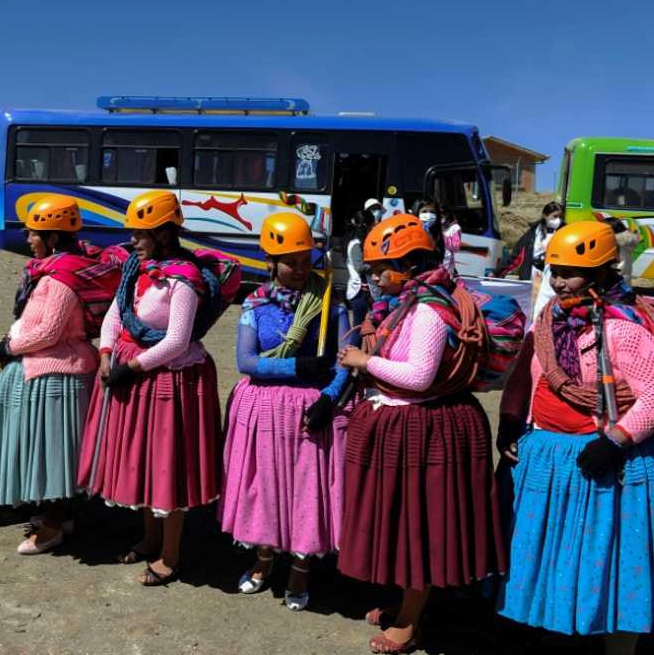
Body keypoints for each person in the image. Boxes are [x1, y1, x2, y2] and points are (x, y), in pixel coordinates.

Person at [336, 213, 506, 654]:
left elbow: (418, 376)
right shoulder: (409, 302)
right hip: (415, 425)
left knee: (420, 524)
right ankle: (406, 604)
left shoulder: (429, 308)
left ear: (409, 264)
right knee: (403, 519)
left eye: (380, 269)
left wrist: (362, 362)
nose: (374, 278)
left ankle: (411, 621)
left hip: (427, 429)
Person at [496, 221, 654, 654]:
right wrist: (513, 419)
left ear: (603, 273)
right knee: (553, 555)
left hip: (604, 463)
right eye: (555, 270)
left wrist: (617, 439)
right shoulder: (550, 321)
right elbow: (528, 375)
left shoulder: (622, 327)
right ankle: (557, 631)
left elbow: (653, 395)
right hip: (550, 458)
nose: (561, 280)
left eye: (572, 271)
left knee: (611, 564)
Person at [76, 190, 228, 587]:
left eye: (142, 234)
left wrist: (131, 366)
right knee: (145, 459)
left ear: (164, 234)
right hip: (132, 371)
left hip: (169, 379)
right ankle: (149, 537)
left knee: (168, 464)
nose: (134, 241)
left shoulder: (183, 280)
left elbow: (177, 340)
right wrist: (107, 352)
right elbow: (115, 312)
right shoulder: (136, 270)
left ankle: (172, 553)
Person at [219, 212, 350, 609]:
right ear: (270, 262)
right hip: (263, 411)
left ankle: (300, 568)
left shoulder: (329, 302)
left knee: (306, 491)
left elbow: (344, 360)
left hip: (312, 410)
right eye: (290, 261)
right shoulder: (255, 305)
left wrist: (329, 397)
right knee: (265, 488)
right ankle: (262, 560)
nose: (298, 268)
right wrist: (297, 366)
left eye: (305, 259)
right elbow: (246, 360)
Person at [0, 195, 121, 553]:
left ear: (54, 237)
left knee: (55, 455)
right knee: (53, 451)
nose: (28, 240)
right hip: (51, 371)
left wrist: (8, 346)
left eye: (34, 234)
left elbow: (48, 332)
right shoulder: (50, 272)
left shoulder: (60, 279)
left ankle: (53, 525)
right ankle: (59, 515)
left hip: (60, 375)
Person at [345, 209, 376, 339]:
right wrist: (376, 266)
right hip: (359, 294)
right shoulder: (356, 244)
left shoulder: (365, 242)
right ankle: (353, 354)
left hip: (369, 292)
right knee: (358, 327)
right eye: (373, 224)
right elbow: (360, 267)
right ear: (367, 225)